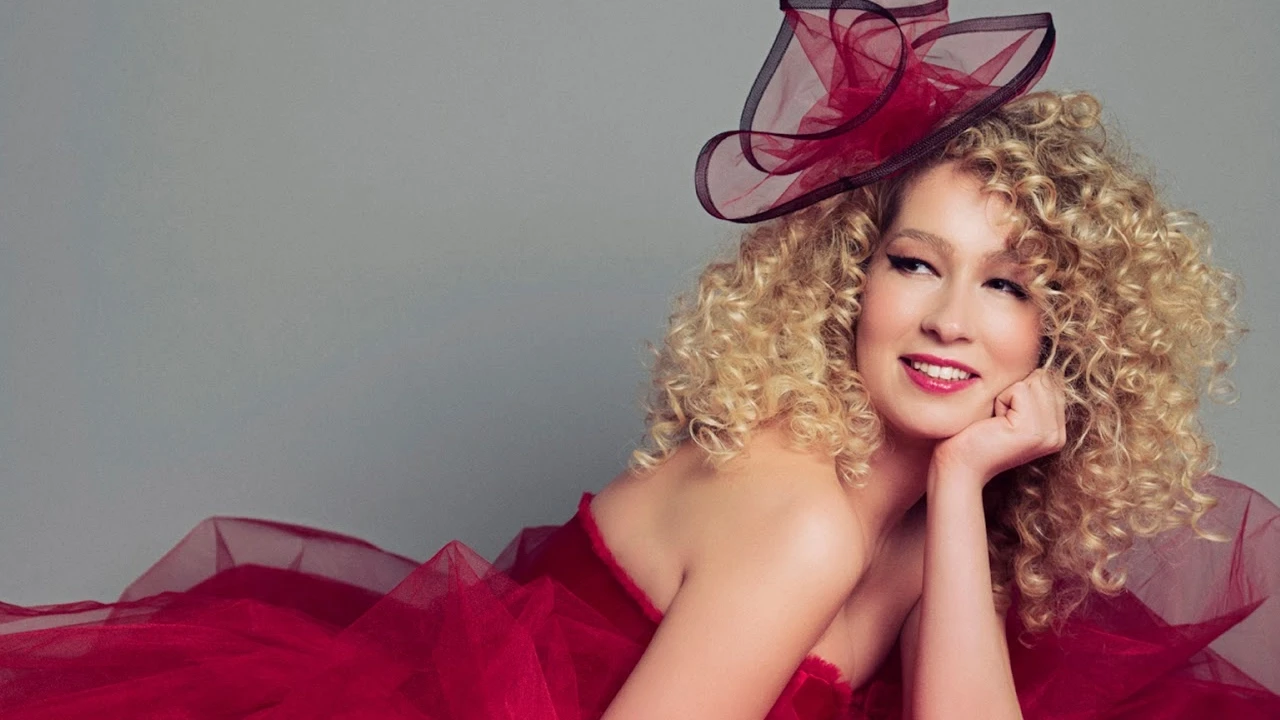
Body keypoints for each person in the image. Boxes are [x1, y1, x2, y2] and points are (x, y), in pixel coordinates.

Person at [1, 2, 1277, 719]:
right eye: (911, 262)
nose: (947, 318)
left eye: (1004, 285)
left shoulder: (930, 519)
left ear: (1061, 337)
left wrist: (953, 493)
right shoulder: (798, 513)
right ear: (850, 280)